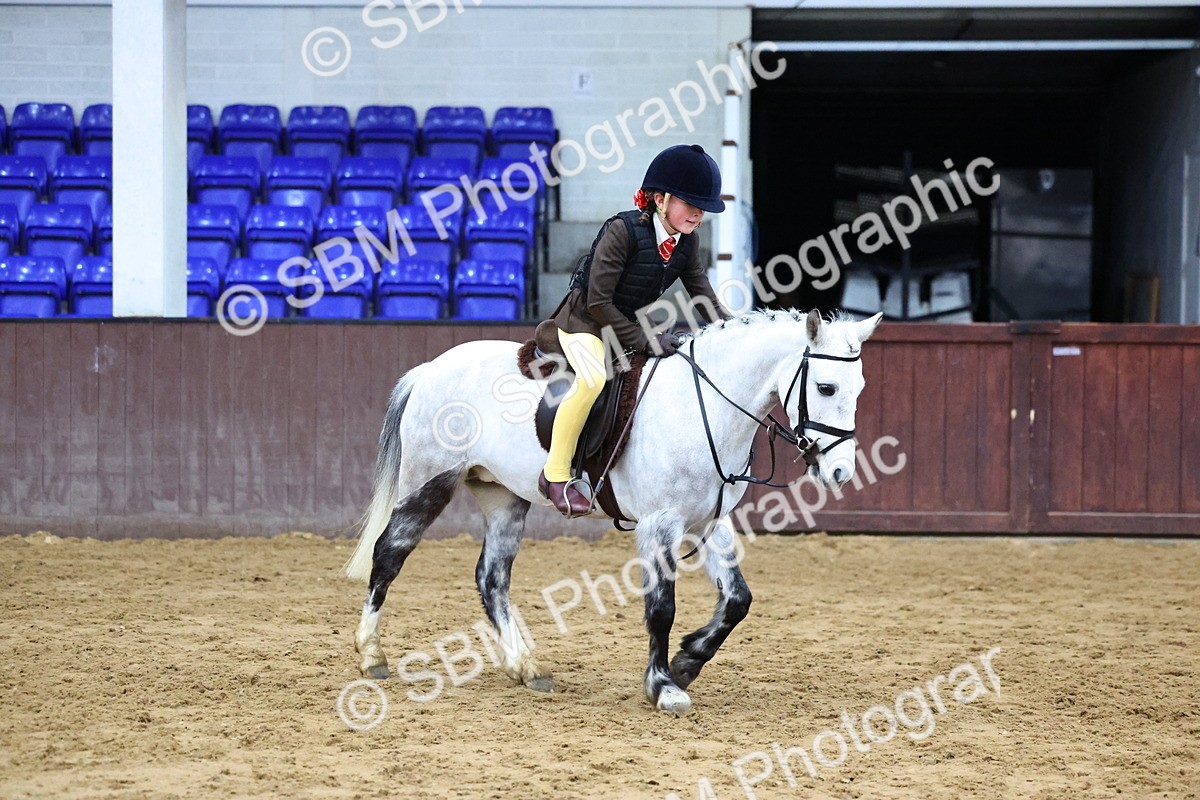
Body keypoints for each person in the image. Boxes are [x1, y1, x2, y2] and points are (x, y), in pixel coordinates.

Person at [537, 143, 734, 517]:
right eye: (690, 204)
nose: (698, 214)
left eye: (702, 208)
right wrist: (644, 340)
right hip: (583, 326)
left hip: (622, 327)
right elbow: (598, 302)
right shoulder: (622, 230)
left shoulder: (685, 243)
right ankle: (556, 474)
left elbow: (703, 297)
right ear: (660, 199)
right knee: (593, 379)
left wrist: (738, 331)